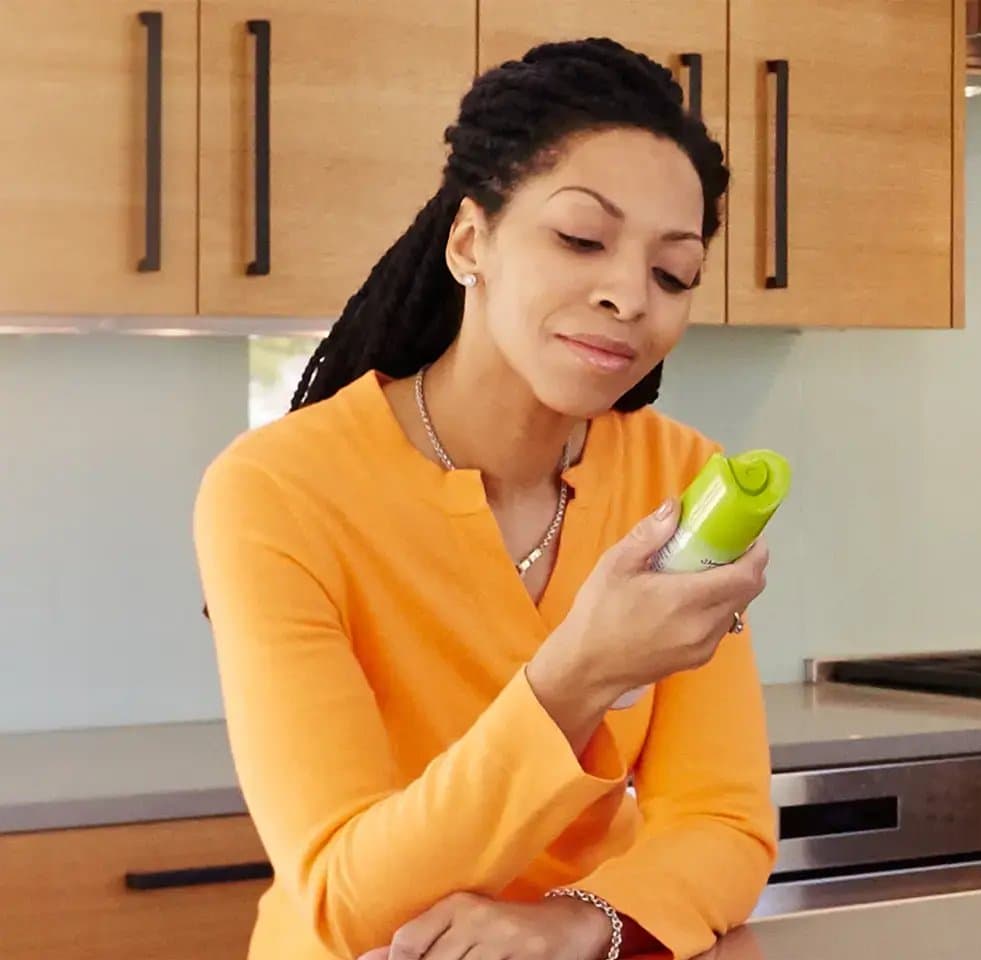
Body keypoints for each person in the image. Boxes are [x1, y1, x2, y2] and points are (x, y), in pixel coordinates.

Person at [193, 37, 776, 960]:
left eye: (674, 273)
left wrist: (581, 921)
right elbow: (348, 900)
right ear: (472, 241)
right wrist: (579, 674)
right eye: (581, 239)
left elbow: (724, 819)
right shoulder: (276, 492)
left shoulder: (679, 483)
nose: (630, 294)